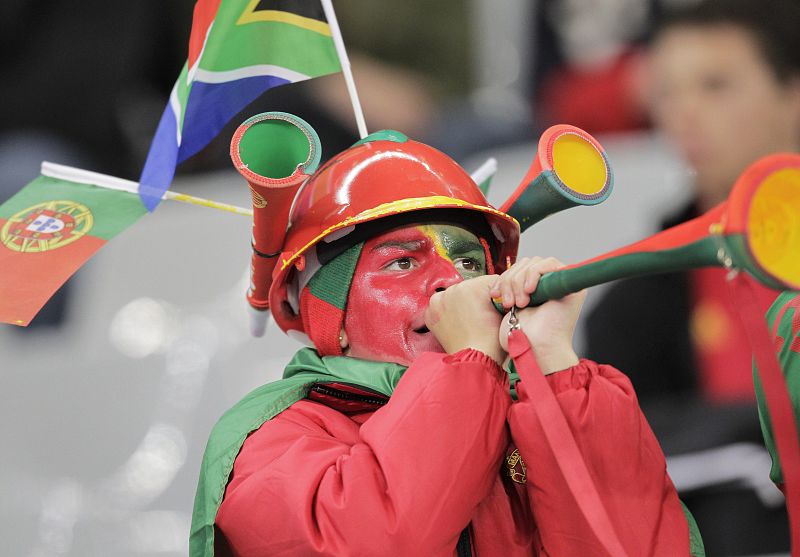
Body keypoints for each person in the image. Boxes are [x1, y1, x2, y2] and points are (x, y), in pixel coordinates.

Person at [190, 124, 703, 556]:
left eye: (469, 261)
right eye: (402, 262)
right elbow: (377, 541)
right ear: (331, 316)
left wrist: (554, 369)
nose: (452, 281)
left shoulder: (537, 408)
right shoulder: (273, 442)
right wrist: (470, 364)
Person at [584, 0, 800, 552]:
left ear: (793, 93)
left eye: (715, 86)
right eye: (667, 91)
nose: (684, 114)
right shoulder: (634, 304)